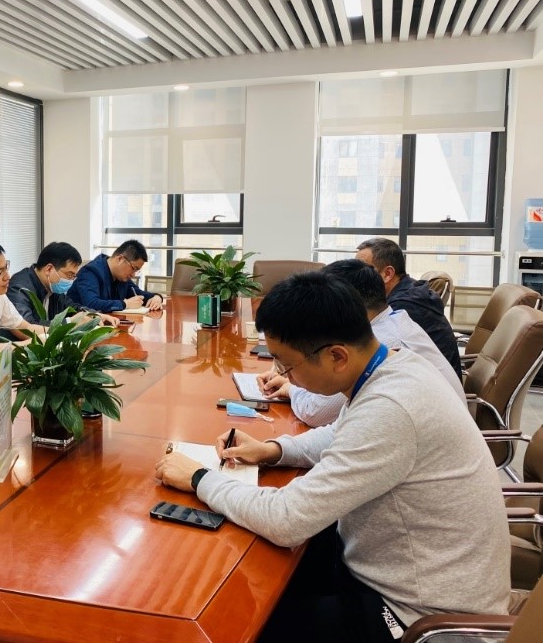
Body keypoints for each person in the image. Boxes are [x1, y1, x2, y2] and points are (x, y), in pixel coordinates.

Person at [155, 271, 509, 642]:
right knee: (268, 575)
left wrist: (199, 478)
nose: (285, 376)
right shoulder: (396, 365)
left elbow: (287, 519)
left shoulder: (392, 407)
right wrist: (273, 450)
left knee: (245, 621)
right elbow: (342, 433)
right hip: (396, 572)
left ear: (337, 356)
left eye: (287, 366)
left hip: (419, 618)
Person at [257, 258, 465, 426]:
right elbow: (339, 426)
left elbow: (317, 412)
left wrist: (291, 388)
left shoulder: (381, 345)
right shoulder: (391, 321)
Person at [355, 237, 463, 379]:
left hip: (434, 386)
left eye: (362, 271)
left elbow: (367, 354)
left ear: (388, 274)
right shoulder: (409, 291)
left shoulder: (403, 307)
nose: (355, 277)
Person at [8, 241, 119, 327]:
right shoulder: (19, 288)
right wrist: (70, 323)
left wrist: (94, 315)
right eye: (69, 275)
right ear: (49, 269)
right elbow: (28, 328)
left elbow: (72, 307)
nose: (71, 280)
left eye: (73, 276)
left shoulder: (52, 287)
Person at [67, 240, 163, 314]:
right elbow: (92, 304)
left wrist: (157, 297)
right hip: (80, 327)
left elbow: (138, 294)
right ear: (120, 259)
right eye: (133, 268)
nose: (133, 275)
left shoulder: (122, 277)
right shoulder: (90, 272)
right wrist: (125, 304)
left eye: (137, 271)